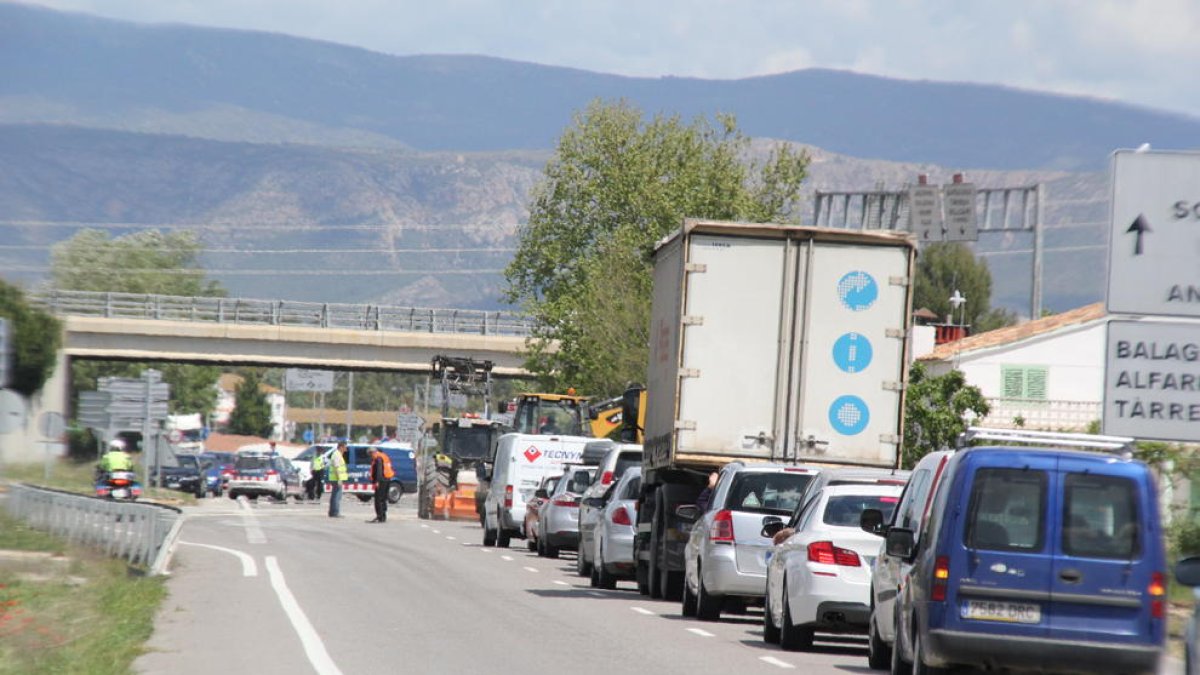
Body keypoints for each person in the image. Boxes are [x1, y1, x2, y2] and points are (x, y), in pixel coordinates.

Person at [368, 446, 394, 523]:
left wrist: (377, 481)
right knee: (383, 499)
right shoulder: (384, 456)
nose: (370, 456)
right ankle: (383, 516)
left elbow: (379, 471)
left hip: (381, 480)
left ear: (373, 452)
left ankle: (380, 516)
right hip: (387, 479)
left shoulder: (378, 459)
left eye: (370, 454)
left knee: (378, 499)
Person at [327, 442, 348, 518]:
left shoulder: (338, 454)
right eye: (345, 447)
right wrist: (339, 479)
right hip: (336, 478)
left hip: (336, 478)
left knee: (335, 495)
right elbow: (336, 467)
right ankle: (335, 512)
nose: (346, 449)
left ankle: (332, 512)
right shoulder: (336, 455)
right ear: (341, 447)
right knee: (337, 496)